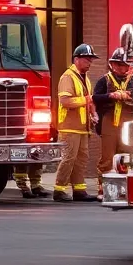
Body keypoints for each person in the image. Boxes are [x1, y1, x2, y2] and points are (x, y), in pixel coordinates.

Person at [53, 44, 98, 202]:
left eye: (91, 60)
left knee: (81, 159)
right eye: (87, 59)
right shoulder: (68, 77)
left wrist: (93, 113)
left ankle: (79, 190)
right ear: (76, 59)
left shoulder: (85, 78)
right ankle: (59, 190)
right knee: (68, 158)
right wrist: (86, 100)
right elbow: (65, 101)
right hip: (69, 127)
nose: (90, 63)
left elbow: (89, 100)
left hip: (83, 128)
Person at [93, 49, 133, 199]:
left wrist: (128, 97)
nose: (122, 68)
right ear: (112, 64)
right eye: (118, 65)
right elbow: (95, 98)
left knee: (126, 155)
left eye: (124, 65)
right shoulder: (104, 80)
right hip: (109, 120)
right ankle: (102, 189)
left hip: (128, 121)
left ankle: (124, 188)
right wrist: (111, 95)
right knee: (107, 156)